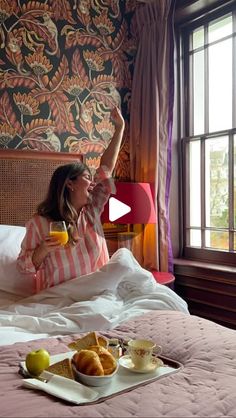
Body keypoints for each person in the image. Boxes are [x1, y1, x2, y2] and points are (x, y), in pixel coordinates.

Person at [17, 107, 125, 293]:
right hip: (59, 298)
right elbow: (22, 267)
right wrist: (42, 250)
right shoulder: (40, 223)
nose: (92, 183)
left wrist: (120, 129)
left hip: (97, 294)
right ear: (70, 184)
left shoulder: (92, 210)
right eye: (86, 177)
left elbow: (105, 168)